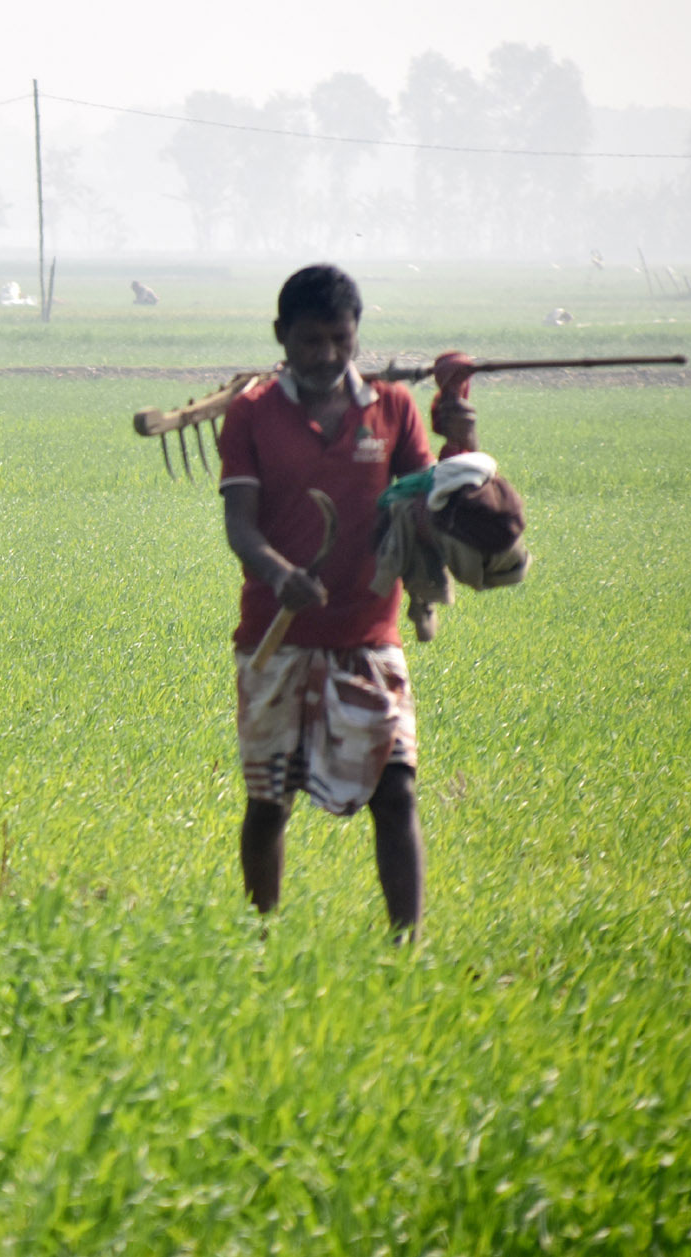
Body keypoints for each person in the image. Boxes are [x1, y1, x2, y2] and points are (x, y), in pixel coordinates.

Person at [215, 264, 478, 938]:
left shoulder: (391, 409)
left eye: (340, 338)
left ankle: (406, 943)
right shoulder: (250, 413)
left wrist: (462, 440)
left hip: (369, 635)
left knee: (396, 791)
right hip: (276, 636)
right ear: (281, 336)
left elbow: (429, 508)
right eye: (310, 341)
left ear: (356, 335)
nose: (327, 355)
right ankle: (260, 937)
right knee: (270, 800)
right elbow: (241, 525)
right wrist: (280, 576)